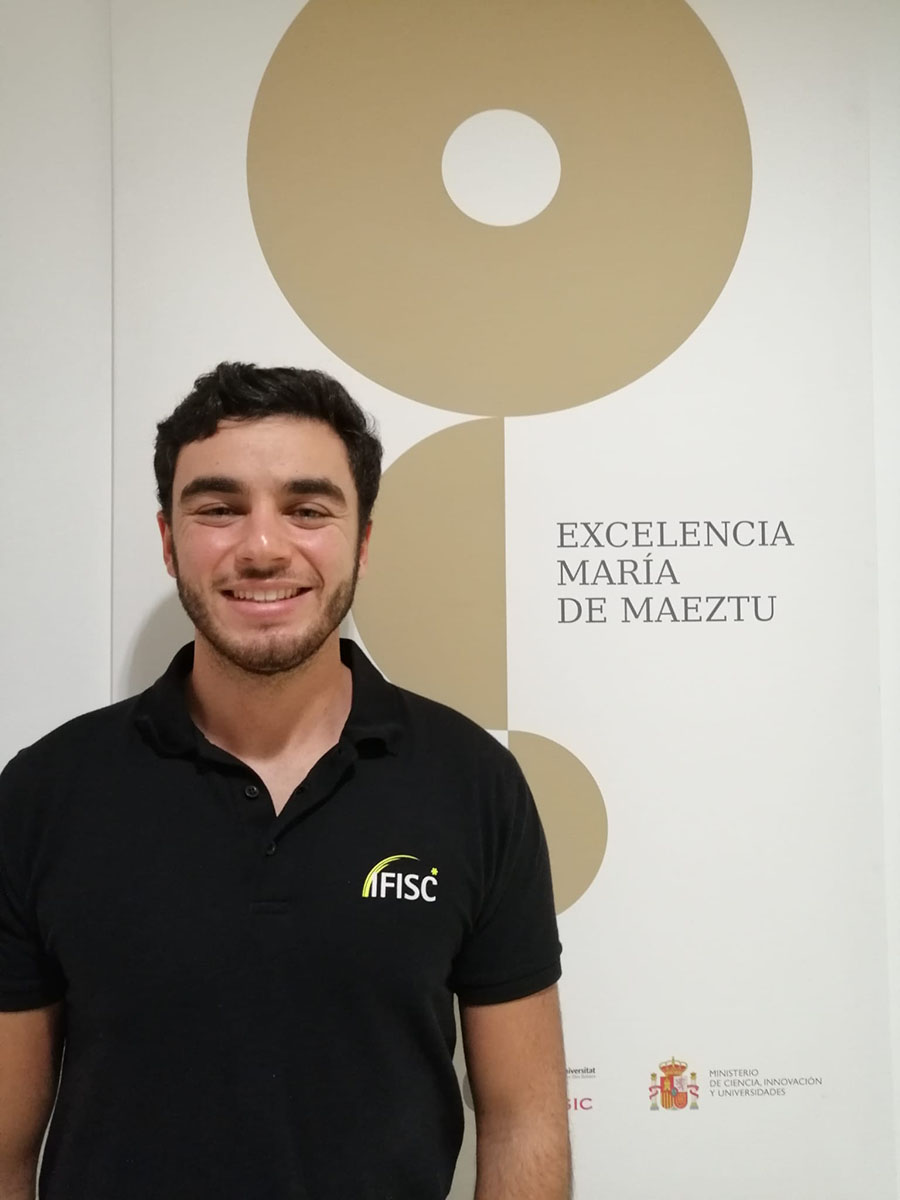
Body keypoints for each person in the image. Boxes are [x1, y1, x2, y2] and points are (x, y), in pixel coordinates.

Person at [0, 363, 569, 1200]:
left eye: (307, 509)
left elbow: (524, 1123)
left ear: (361, 542)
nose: (263, 548)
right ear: (168, 540)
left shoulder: (473, 785)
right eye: (219, 508)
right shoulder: (45, 793)